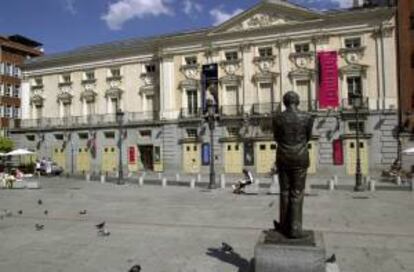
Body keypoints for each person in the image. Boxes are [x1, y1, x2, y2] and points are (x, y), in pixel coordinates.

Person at [273, 91, 314, 239]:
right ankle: (295, 228)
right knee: (297, 193)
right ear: (298, 102)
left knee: (284, 191)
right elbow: (308, 137)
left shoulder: (277, 118)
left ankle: (284, 226)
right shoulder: (308, 117)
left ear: (284, 102)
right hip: (300, 157)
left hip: (283, 156)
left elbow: (276, 137)